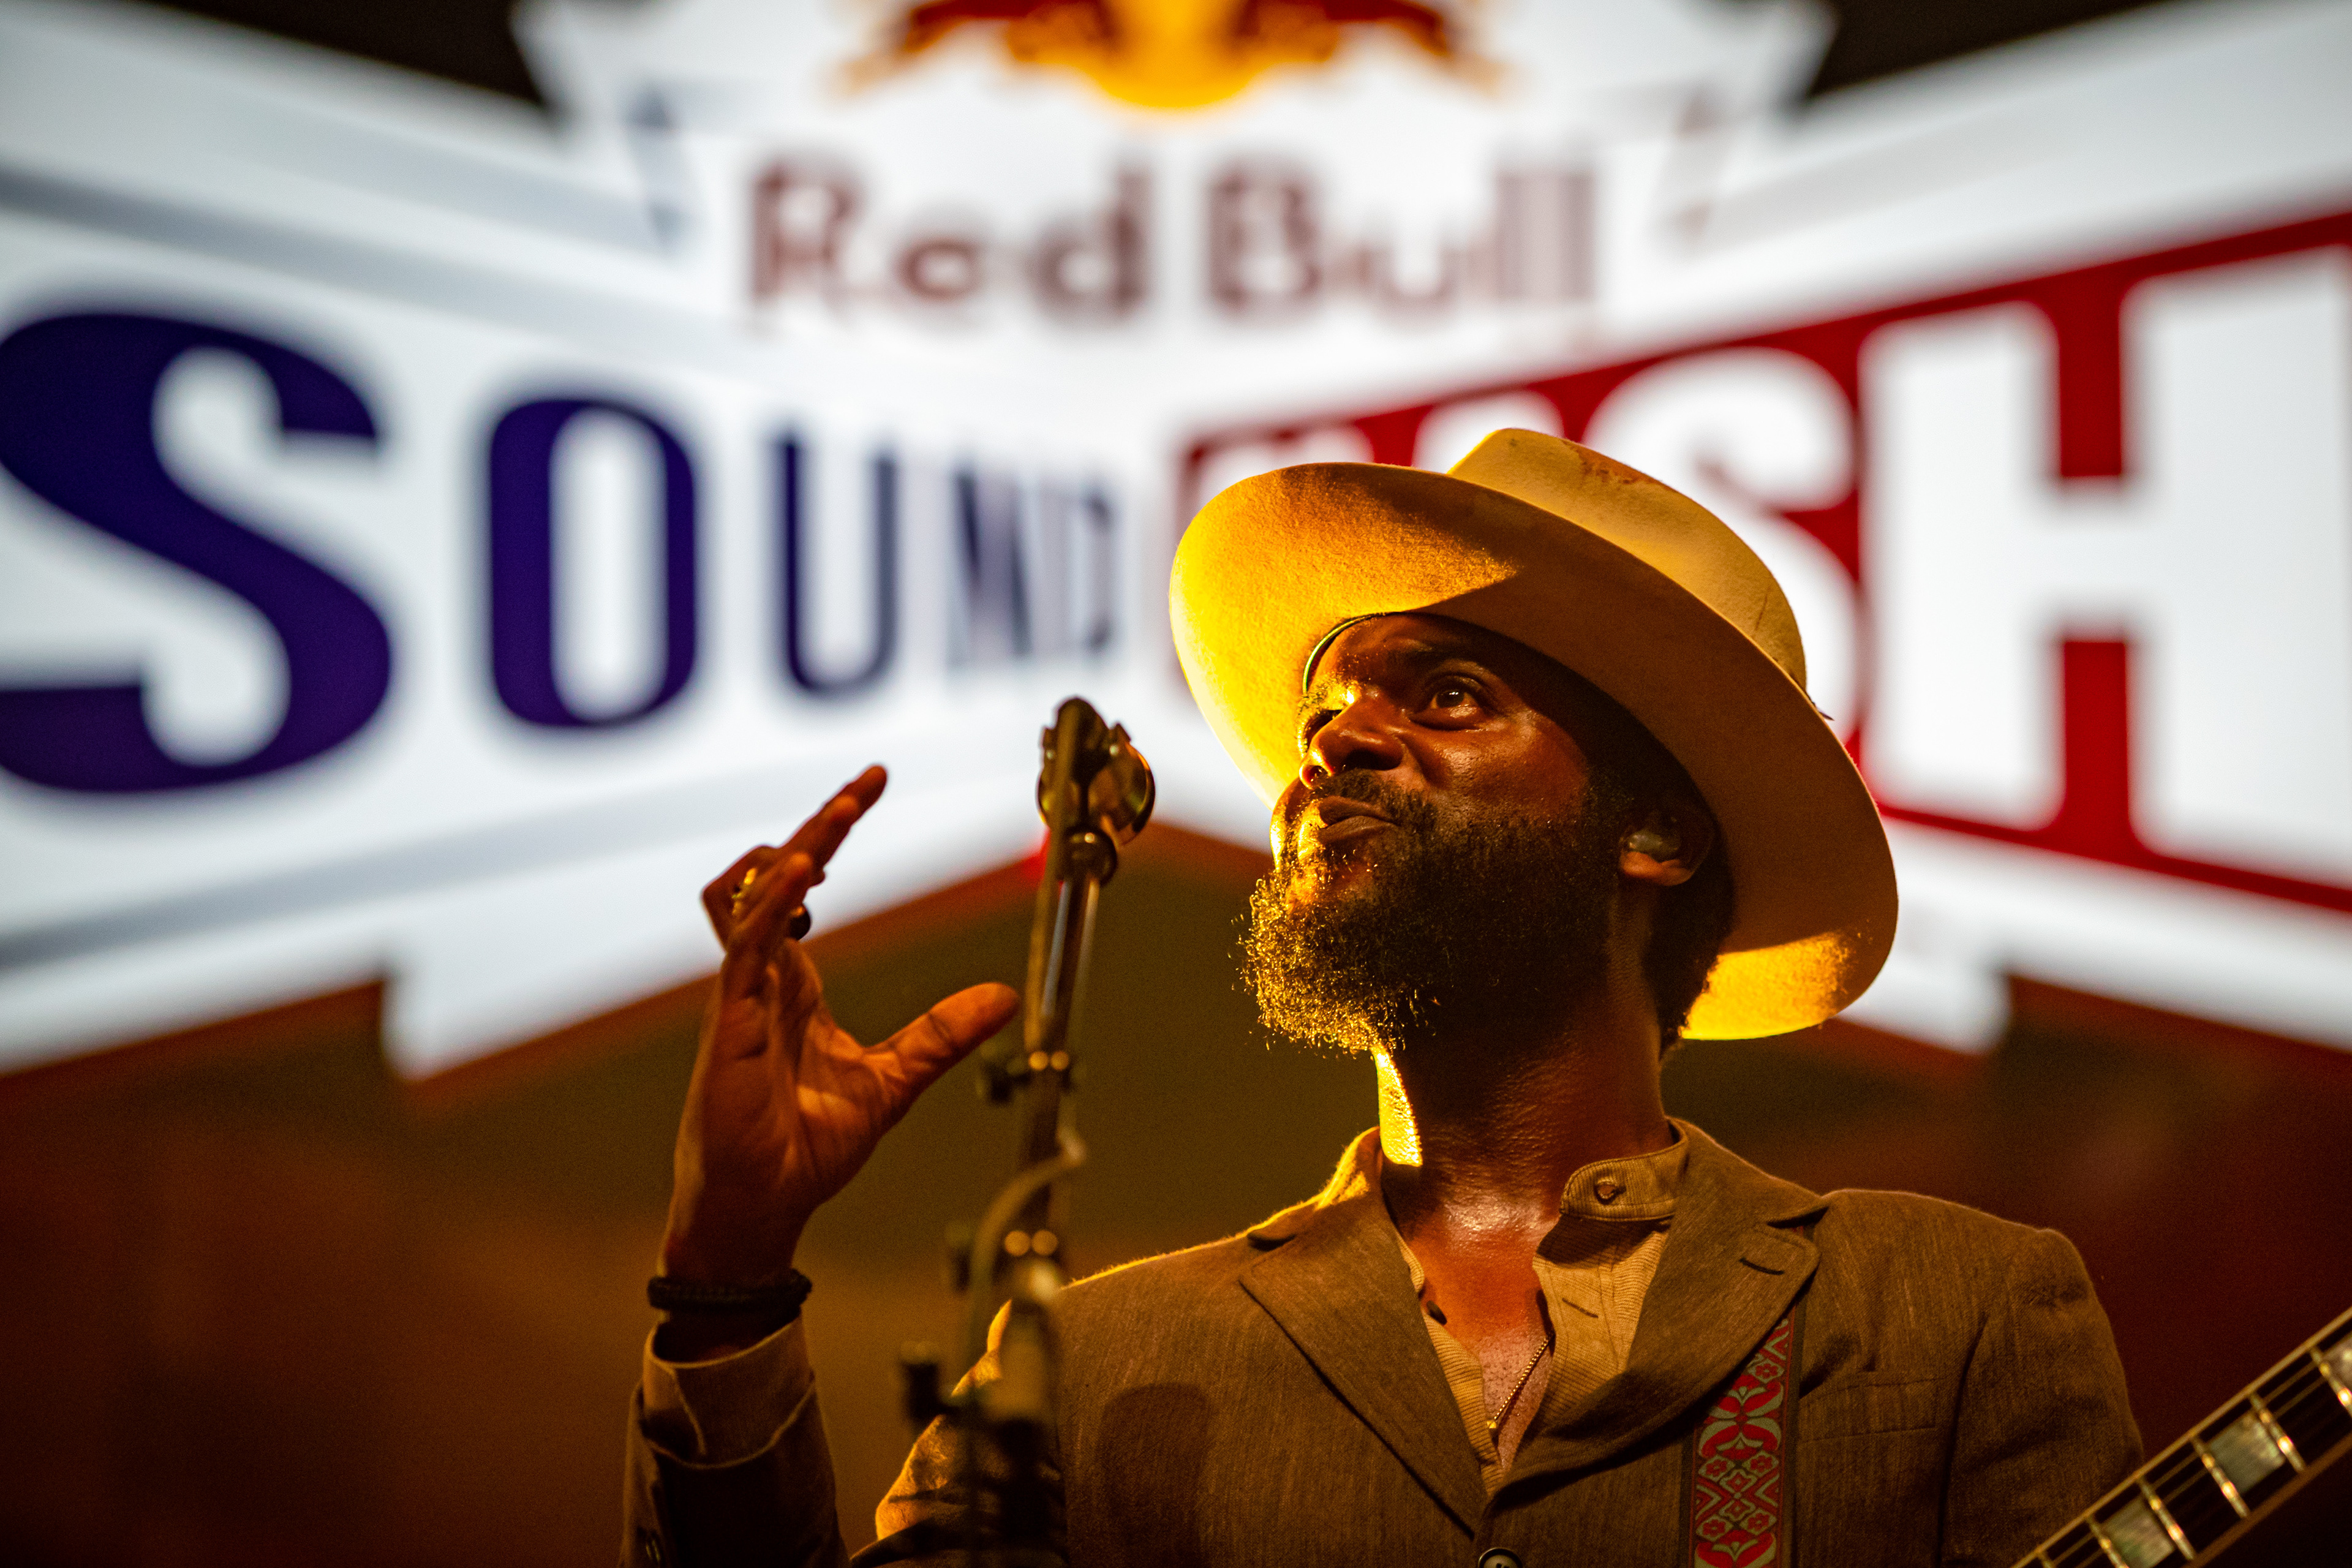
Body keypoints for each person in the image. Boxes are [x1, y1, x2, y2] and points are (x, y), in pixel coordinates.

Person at [620, 430, 2141, 1567]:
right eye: (1328, 707)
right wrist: (727, 1281)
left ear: (1657, 831)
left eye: (1449, 696)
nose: (1335, 744)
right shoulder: (1095, 1366)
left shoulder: (1950, 1311)